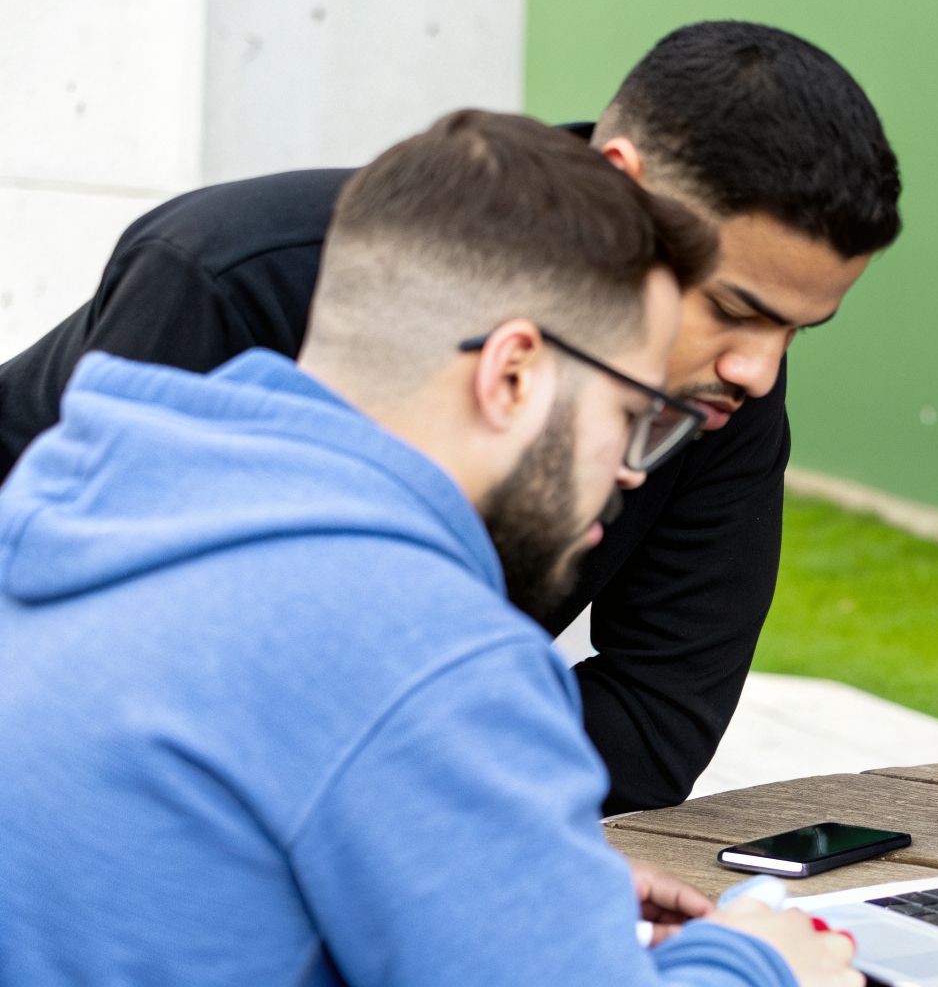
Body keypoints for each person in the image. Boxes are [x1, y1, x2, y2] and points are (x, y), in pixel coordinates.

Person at [0, 110, 860, 986]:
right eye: (633, 415)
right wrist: (761, 967)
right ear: (512, 374)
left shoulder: (89, 511)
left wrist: (505, 874)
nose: (635, 469)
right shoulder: (419, 647)